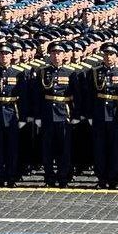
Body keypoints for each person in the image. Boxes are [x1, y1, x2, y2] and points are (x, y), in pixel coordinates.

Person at [89, 42, 118, 189]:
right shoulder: (95, 72)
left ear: (117, 56)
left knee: (115, 148)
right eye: (106, 54)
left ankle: (114, 178)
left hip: (116, 114)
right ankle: (101, 178)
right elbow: (89, 94)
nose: (109, 57)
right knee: (99, 148)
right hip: (99, 113)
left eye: (112, 54)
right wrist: (90, 114)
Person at [37, 41, 77, 188]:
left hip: (63, 113)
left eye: (59, 53)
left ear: (64, 55)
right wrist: (37, 116)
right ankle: (49, 177)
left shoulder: (71, 73)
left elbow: (76, 95)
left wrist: (75, 115)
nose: (56, 56)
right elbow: (38, 95)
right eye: (53, 53)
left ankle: (63, 177)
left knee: (64, 148)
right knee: (47, 148)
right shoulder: (42, 72)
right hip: (47, 113)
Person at [0, 42, 24, 188]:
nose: (4, 56)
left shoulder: (18, 72)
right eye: (2, 54)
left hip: (12, 112)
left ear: (11, 56)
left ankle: (12, 178)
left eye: (7, 54)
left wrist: (23, 117)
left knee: (12, 149)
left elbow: (23, 96)